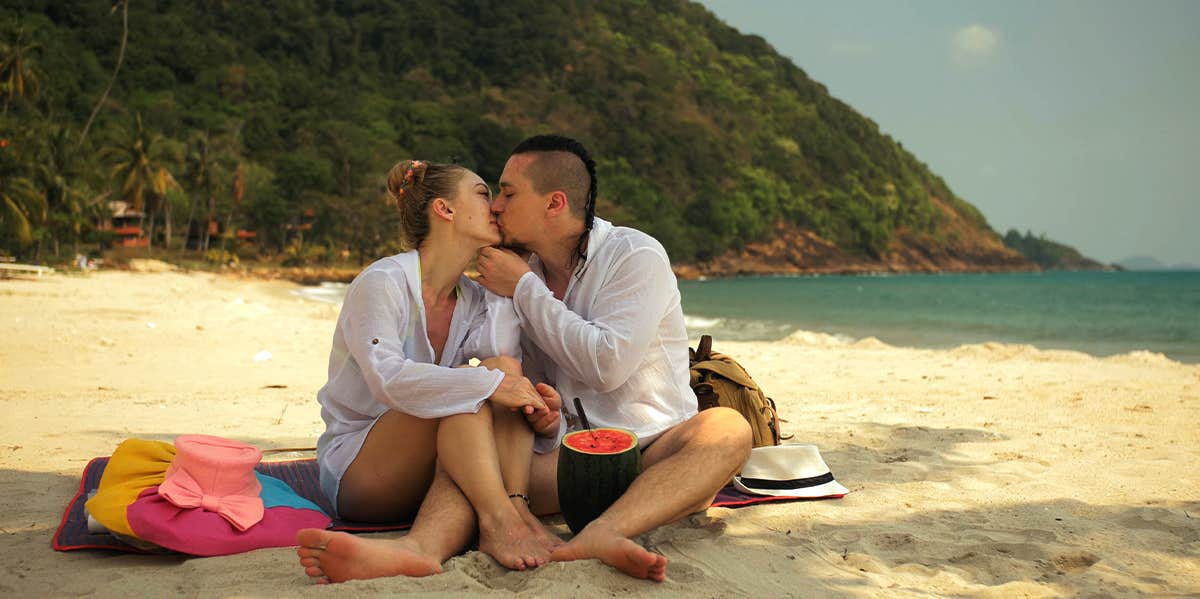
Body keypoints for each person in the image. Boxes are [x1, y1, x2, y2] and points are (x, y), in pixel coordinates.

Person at [475, 135, 754, 581]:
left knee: (729, 430)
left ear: (554, 203)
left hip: (658, 447)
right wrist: (540, 411)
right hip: (566, 459)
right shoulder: (518, 272)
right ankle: (654, 498)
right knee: (470, 464)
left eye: (508, 193)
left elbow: (606, 366)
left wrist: (525, 290)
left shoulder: (634, 254)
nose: (496, 206)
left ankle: (606, 530)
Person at [295, 160, 563, 583]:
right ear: (445, 209)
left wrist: (538, 415)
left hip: (431, 470)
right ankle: (501, 519)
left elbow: (505, 366)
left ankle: (428, 545)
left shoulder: (473, 297)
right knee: (473, 391)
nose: (495, 206)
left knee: (496, 372)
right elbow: (389, 380)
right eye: (480, 193)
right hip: (362, 470)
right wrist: (492, 384)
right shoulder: (383, 282)